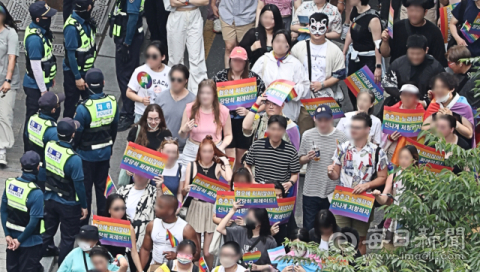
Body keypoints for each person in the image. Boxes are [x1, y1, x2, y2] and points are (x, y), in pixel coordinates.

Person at [328, 112, 389, 255]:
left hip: (363, 200)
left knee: (360, 238)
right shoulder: (343, 147)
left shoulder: (377, 152)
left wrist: (366, 185)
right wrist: (330, 172)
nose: (353, 130)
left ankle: (358, 266)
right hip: (343, 198)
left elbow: (382, 177)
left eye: (358, 127)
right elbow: (335, 174)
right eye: (352, 127)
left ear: (368, 129)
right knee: (339, 236)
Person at [73, 68, 119, 225]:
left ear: (85, 85)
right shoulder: (112, 102)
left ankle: (85, 227)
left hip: (86, 156)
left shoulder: (83, 108)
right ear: (104, 83)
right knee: (102, 191)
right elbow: (114, 128)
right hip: (105, 153)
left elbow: (78, 133)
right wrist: (110, 147)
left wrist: (75, 148)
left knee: (85, 192)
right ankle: (103, 225)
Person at [42, 117, 88, 264]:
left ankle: (35, 262)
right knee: (67, 239)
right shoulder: (74, 159)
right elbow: (79, 186)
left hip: (50, 198)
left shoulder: (49, 146)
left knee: (47, 232)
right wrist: (84, 205)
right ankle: (64, 266)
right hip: (68, 204)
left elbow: (44, 171)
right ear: (73, 134)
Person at [212, 46, 266, 170]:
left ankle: (238, 179)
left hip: (245, 122)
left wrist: (250, 111)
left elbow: (265, 101)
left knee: (241, 157)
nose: (237, 63)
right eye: (235, 60)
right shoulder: (220, 77)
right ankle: (229, 180)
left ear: (246, 62)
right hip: (226, 122)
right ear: (230, 60)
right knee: (229, 155)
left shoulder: (254, 78)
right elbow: (211, 98)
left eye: (241, 60)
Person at [183, 136, 232, 268]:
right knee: (196, 251)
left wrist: (225, 162)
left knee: (208, 252)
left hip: (210, 208)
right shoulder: (192, 165)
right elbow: (185, 188)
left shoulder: (217, 166)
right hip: (195, 206)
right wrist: (187, 188)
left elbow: (229, 178)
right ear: (200, 152)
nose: (207, 154)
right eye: (204, 151)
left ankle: (210, 270)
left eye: (210, 151)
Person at [299, 105, 347, 231]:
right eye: (320, 120)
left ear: (331, 119)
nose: (323, 123)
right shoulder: (307, 135)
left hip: (332, 190)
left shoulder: (341, 137)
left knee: (331, 230)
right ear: (314, 119)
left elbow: (346, 163)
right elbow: (299, 160)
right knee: (309, 229)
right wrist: (307, 158)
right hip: (311, 189)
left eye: (326, 120)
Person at [251, 30, 310, 126]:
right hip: (265, 113)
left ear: (289, 45)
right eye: (277, 41)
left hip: (287, 113)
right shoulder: (263, 60)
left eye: (284, 42)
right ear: (272, 43)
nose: (280, 45)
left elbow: (304, 86)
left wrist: (288, 92)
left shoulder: (295, 64)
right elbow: (253, 82)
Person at [23, 2, 58, 153]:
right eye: (46, 16)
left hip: (42, 83)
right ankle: (29, 152)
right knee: (32, 119)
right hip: (35, 86)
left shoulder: (41, 32)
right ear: (38, 19)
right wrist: (43, 90)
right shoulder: (35, 39)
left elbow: (47, 59)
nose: (49, 19)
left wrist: (50, 78)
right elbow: (36, 67)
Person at [1, 151, 44, 272]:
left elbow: (3, 211)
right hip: (30, 243)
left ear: (21, 165)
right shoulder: (36, 193)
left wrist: (7, 235)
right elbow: (33, 222)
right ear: (37, 167)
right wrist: (19, 240)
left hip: (11, 242)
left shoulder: (10, 184)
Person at [290, 13, 346, 103]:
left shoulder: (335, 50)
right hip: (302, 95)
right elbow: (291, 69)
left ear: (327, 29)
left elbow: (339, 74)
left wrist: (322, 84)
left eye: (321, 28)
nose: (317, 32)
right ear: (309, 27)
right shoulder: (298, 47)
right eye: (314, 28)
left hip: (325, 95)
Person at [372, 145, 419, 249]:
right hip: (393, 218)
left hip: (410, 219)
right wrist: (377, 196)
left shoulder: (420, 179)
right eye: (401, 157)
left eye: (406, 158)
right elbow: (384, 198)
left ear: (414, 160)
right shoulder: (393, 176)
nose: (403, 161)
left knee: (405, 253)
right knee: (388, 251)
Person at [178, 79, 232, 165]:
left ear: (214, 94)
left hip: (214, 149)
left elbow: (228, 135)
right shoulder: (189, 108)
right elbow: (182, 135)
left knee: (212, 177)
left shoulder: (223, 111)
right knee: (187, 177)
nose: (204, 96)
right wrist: (184, 129)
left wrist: (220, 149)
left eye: (208, 93)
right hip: (192, 151)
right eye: (202, 93)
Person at [110, 0, 145, 131]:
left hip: (128, 39)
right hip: (125, 37)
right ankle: (128, 110)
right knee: (124, 75)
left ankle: (128, 113)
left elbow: (133, 17)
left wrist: (126, 44)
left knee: (125, 76)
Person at [140, 194, 200, 271]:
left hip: (176, 268)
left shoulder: (186, 229)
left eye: (160, 207)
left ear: (171, 210)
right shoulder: (152, 225)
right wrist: (140, 269)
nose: (155, 208)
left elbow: (197, 254)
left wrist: (177, 256)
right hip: (155, 266)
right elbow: (145, 249)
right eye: (156, 205)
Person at [244, 115, 300, 196]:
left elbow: (295, 173)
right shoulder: (257, 145)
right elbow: (247, 165)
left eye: (279, 129)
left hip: (279, 193)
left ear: (284, 130)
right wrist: (252, 180)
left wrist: (290, 183)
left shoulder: (291, 150)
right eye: (273, 129)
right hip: (260, 189)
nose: (276, 133)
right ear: (268, 129)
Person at [379, 0, 446, 66]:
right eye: (411, 10)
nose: (414, 14)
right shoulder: (397, 27)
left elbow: (440, 62)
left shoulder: (434, 32)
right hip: (399, 72)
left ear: (425, 12)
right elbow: (385, 54)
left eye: (418, 11)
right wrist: (385, 41)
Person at [382, 34, 444, 105]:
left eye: (418, 54)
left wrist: (425, 102)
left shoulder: (435, 66)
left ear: (426, 50)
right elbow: (388, 85)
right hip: (400, 102)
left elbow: (444, 89)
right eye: (411, 53)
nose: (415, 57)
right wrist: (403, 97)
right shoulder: (397, 64)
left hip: (426, 104)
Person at [343, 0, 382, 108]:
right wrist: (344, 52)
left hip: (368, 60)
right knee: (351, 89)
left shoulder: (373, 19)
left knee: (366, 95)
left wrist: (378, 66)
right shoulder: (354, 10)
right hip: (354, 57)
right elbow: (350, 32)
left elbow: (378, 44)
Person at [165, 0, 208, 95]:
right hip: (177, 16)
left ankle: (198, 96)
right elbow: (172, 3)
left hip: (195, 15)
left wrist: (186, 1)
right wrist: (193, 1)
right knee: (175, 60)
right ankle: (174, 94)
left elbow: (205, 2)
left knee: (197, 59)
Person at [62, 0, 97, 118]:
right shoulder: (72, 28)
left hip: (87, 71)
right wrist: (77, 77)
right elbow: (70, 55)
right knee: (71, 104)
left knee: (91, 101)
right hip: (74, 73)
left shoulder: (87, 22)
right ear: (88, 7)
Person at [217, 202, 277, 268]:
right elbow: (220, 228)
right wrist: (233, 210)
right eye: (247, 217)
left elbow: (274, 266)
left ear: (259, 223)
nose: (247, 220)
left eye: (250, 218)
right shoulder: (241, 231)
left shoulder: (270, 241)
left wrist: (257, 268)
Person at [116, 174, 156, 272]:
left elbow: (166, 208)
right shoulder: (123, 190)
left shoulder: (155, 192)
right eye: (136, 174)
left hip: (144, 241)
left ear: (149, 177)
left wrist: (160, 187)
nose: (139, 176)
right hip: (123, 238)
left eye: (142, 175)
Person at [423, 72, 475, 147]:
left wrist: (453, 121)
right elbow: (424, 131)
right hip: (436, 147)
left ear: (452, 89)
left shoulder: (463, 106)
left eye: (442, 87)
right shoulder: (434, 104)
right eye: (436, 87)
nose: (438, 90)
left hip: (458, 149)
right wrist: (436, 120)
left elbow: (469, 134)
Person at [25, 92, 64, 190]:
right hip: (44, 173)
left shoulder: (32, 119)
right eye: (58, 105)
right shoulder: (52, 130)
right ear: (53, 110)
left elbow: (26, 138)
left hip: (31, 165)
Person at [126, 41, 171, 123]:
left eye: (154, 56)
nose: (150, 59)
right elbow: (129, 92)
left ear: (163, 57)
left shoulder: (170, 73)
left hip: (162, 116)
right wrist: (142, 100)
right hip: (142, 115)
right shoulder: (140, 71)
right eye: (148, 55)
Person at [156, 64, 196, 152]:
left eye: (179, 80)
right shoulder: (161, 98)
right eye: (172, 79)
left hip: (184, 150)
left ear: (186, 81)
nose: (175, 82)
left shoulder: (193, 101)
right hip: (162, 148)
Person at [380, 84, 425, 160]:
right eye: (404, 95)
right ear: (400, 96)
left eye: (410, 96)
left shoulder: (423, 114)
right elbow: (383, 132)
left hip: (413, 151)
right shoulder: (391, 112)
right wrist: (390, 137)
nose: (407, 98)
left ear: (416, 98)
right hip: (393, 149)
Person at [103, 194, 143, 272]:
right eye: (116, 209)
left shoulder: (128, 227)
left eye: (123, 208)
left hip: (121, 264)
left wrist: (140, 270)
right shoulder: (101, 225)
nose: (120, 211)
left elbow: (134, 251)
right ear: (109, 210)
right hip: (104, 264)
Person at [0, 3, 19, 165]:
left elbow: (12, 57)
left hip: (6, 83)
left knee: (4, 115)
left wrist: (8, 79)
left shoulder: (10, 33)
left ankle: (2, 150)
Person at [213, 0, 256, 68]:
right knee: (229, 47)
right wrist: (213, 4)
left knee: (244, 50)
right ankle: (228, 75)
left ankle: (244, 76)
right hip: (227, 13)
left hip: (247, 15)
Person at [446, 46, 480, 111]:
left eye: (450, 63)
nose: (449, 66)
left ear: (460, 63)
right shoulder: (454, 75)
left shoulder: (476, 78)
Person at [157, 139, 186, 207]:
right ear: (161, 151)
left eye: (174, 152)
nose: (171, 155)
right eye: (168, 152)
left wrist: (178, 208)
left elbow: (179, 193)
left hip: (171, 207)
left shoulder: (181, 169)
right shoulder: (153, 166)